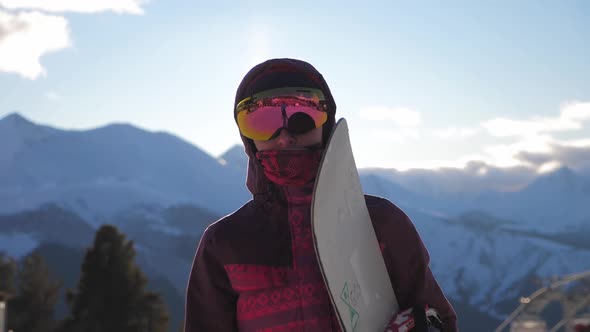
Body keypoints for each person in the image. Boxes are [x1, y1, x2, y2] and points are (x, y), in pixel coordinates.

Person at [185, 58, 458, 331]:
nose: (283, 137)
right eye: (260, 121)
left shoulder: (382, 224)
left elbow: (439, 320)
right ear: (247, 138)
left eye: (302, 116)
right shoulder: (225, 243)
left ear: (325, 125)